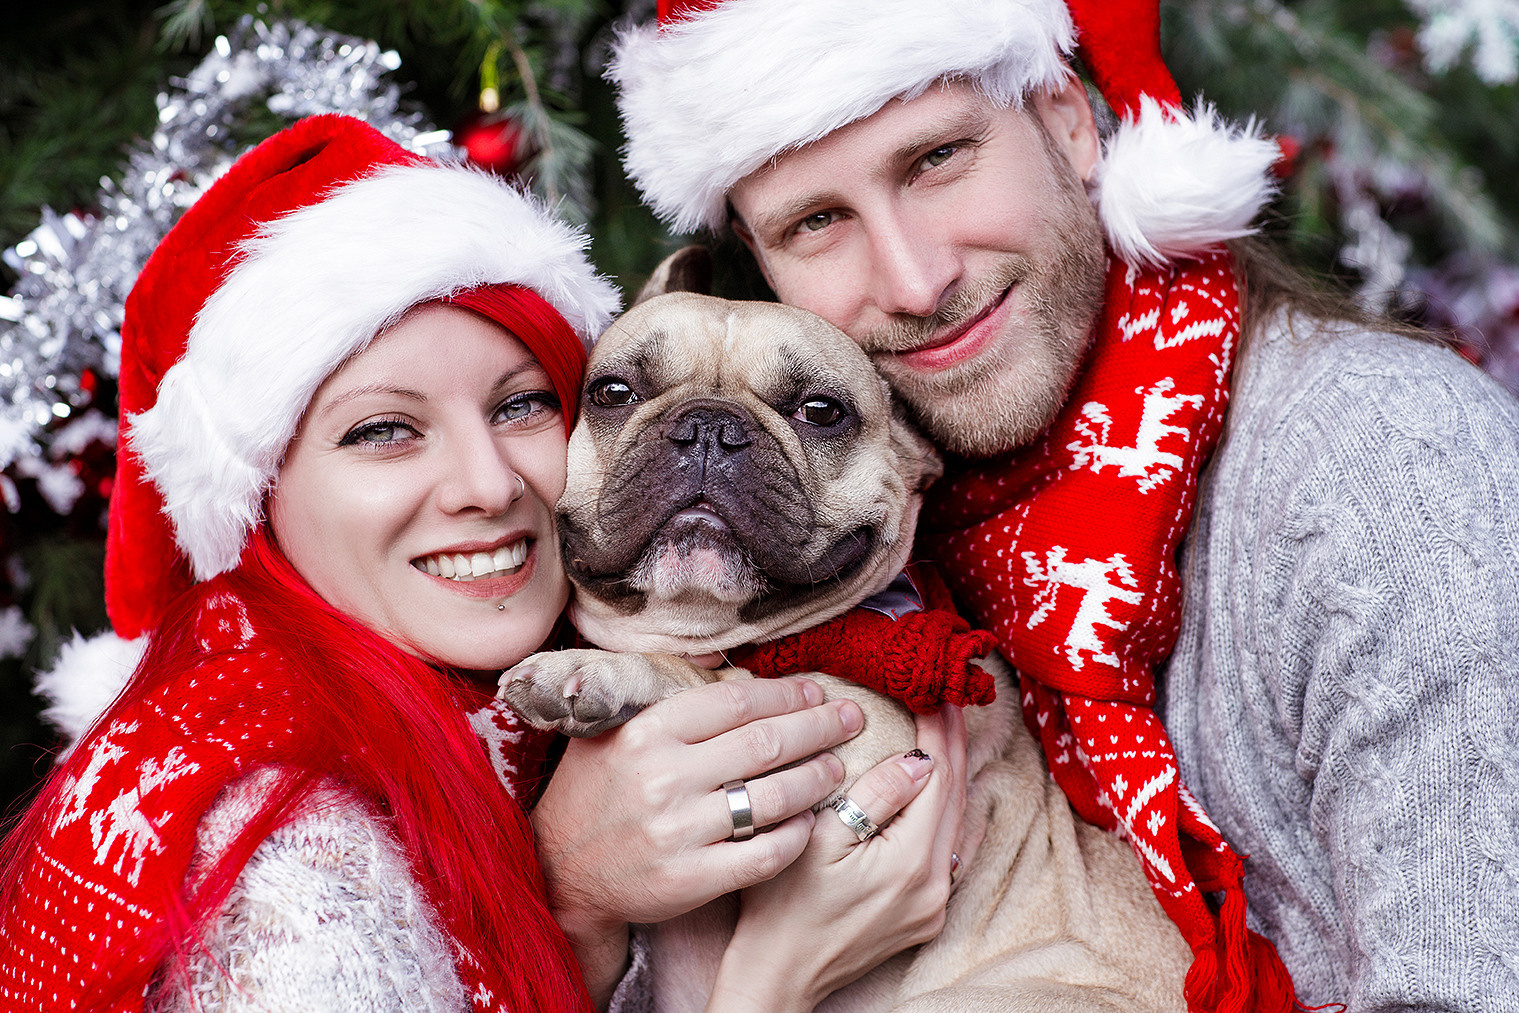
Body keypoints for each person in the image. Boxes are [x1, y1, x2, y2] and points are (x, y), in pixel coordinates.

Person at [607, 1, 1519, 1011]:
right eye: (815, 222)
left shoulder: (1381, 462)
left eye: (937, 159)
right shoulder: (864, 531)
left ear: (1068, 120)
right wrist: (582, 891)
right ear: (761, 257)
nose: (914, 281)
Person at [0, 113, 964, 1012]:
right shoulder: (285, 860)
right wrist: (771, 976)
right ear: (260, 493)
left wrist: (578, 910)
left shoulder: (515, 718)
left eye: (521, 404)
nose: (488, 483)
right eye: (383, 430)